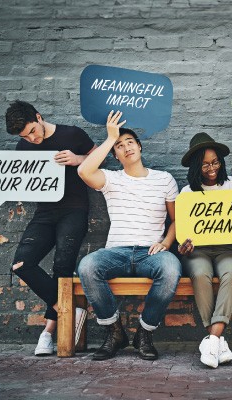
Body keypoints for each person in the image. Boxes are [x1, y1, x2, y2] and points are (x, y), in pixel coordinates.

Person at [0, 101, 96, 356]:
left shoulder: (72, 134)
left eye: (32, 131)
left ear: (39, 117)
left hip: (74, 209)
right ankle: (68, 308)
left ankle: (48, 333)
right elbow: (11, 178)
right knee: (21, 264)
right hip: (45, 213)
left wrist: (78, 158)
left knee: (62, 267)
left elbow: (99, 158)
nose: (32, 138)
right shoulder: (23, 145)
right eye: (25, 136)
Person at [76, 110, 181, 361]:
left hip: (150, 252)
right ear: (115, 154)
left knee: (171, 269)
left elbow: (178, 219)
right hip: (116, 251)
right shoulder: (111, 179)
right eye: (120, 146)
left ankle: (144, 333)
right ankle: (115, 332)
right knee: (88, 266)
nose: (126, 148)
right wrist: (110, 138)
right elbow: (83, 171)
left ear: (140, 146)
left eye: (130, 142)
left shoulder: (164, 179)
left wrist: (166, 242)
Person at [177, 132, 232, 368]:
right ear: (197, 166)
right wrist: (184, 248)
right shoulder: (188, 193)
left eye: (215, 162)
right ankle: (218, 342)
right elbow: (182, 233)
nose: (211, 167)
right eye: (205, 163)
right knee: (199, 274)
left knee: (231, 273)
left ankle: (212, 339)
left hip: (229, 249)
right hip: (199, 251)